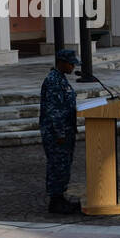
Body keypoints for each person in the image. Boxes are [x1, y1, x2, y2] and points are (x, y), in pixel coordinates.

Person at [40, 48, 82, 214]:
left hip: (65, 131)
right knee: (57, 165)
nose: (73, 67)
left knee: (63, 165)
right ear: (62, 62)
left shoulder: (60, 79)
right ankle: (56, 201)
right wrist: (60, 134)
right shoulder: (53, 81)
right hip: (57, 133)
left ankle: (60, 197)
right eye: (71, 64)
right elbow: (53, 111)